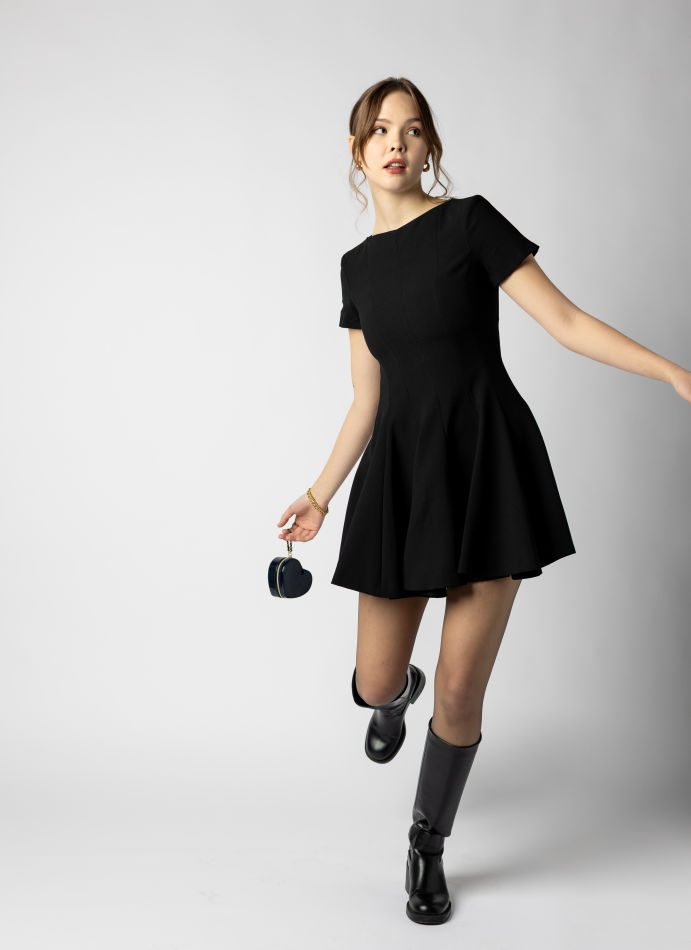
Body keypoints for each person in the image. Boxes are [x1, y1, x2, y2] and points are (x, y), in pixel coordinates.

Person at [276, 77, 691, 925]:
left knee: (460, 691)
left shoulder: (468, 224)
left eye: (412, 130)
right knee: (374, 681)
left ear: (429, 147)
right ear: (356, 151)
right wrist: (318, 495)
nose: (396, 143)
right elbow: (366, 399)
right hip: (400, 477)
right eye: (379, 130)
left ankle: (425, 843)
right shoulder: (358, 267)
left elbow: (564, 322)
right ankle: (392, 697)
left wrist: (672, 372)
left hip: (485, 465)